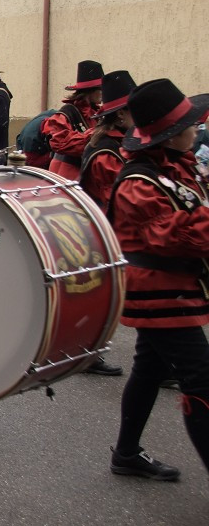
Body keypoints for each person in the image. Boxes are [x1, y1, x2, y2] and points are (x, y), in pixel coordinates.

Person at [107, 78, 209, 481]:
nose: (196, 129)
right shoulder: (137, 182)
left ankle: (126, 454)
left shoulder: (178, 165)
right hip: (158, 293)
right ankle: (126, 453)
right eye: (189, 125)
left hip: (175, 288)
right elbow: (171, 234)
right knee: (201, 378)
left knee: (149, 368)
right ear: (168, 136)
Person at [80, 70, 136, 212]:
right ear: (121, 114)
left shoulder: (120, 139)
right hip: (105, 225)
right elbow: (118, 204)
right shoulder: (106, 154)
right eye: (135, 109)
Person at [43, 60, 104, 179]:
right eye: (100, 89)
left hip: (81, 175)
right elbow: (58, 142)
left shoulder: (96, 113)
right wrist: (93, 136)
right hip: (65, 176)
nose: (103, 93)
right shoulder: (67, 112)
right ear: (90, 91)